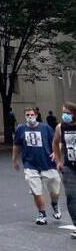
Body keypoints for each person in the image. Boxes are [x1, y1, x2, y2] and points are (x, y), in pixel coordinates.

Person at [12, 107, 61, 225]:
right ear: (25, 116)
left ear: (36, 115)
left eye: (32, 114)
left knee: (55, 191)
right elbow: (17, 145)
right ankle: (42, 214)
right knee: (36, 191)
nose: (30, 117)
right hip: (30, 165)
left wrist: (55, 152)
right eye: (27, 115)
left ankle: (55, 204)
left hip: (48, 164)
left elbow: (56, 142)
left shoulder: (45, 128)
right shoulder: (20, 129)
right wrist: (14, 160)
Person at [52, 102, 76, 240]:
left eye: (68, 113)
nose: (65, 115)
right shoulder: (61, 127)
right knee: (72, 197)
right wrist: (59, 161)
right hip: (69, 166)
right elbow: (55, 143)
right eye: (63, 112)